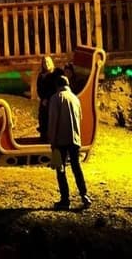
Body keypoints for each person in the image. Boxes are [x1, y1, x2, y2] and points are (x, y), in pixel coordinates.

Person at [47, 72, 91, 209]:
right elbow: (80, 117)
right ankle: (84, 195)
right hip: (74, 139)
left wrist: (52, 140)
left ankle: (65, 200)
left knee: (61, 169)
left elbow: (53, 121)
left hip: (61, 140)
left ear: (57, 85)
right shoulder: (75, 99)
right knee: (76, 167)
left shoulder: (56, 98)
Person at [36, 55, 58, 139]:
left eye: (48, 62)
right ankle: (43, 134)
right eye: (44, 62)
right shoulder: (41, 75)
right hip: (44, 100)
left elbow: (54, 88)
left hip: (53, 99)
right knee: (42, 115)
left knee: (51, 117)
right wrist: (43, 98)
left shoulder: (55, 74)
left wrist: (48, 99)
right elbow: (39, 88)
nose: (46, 64)